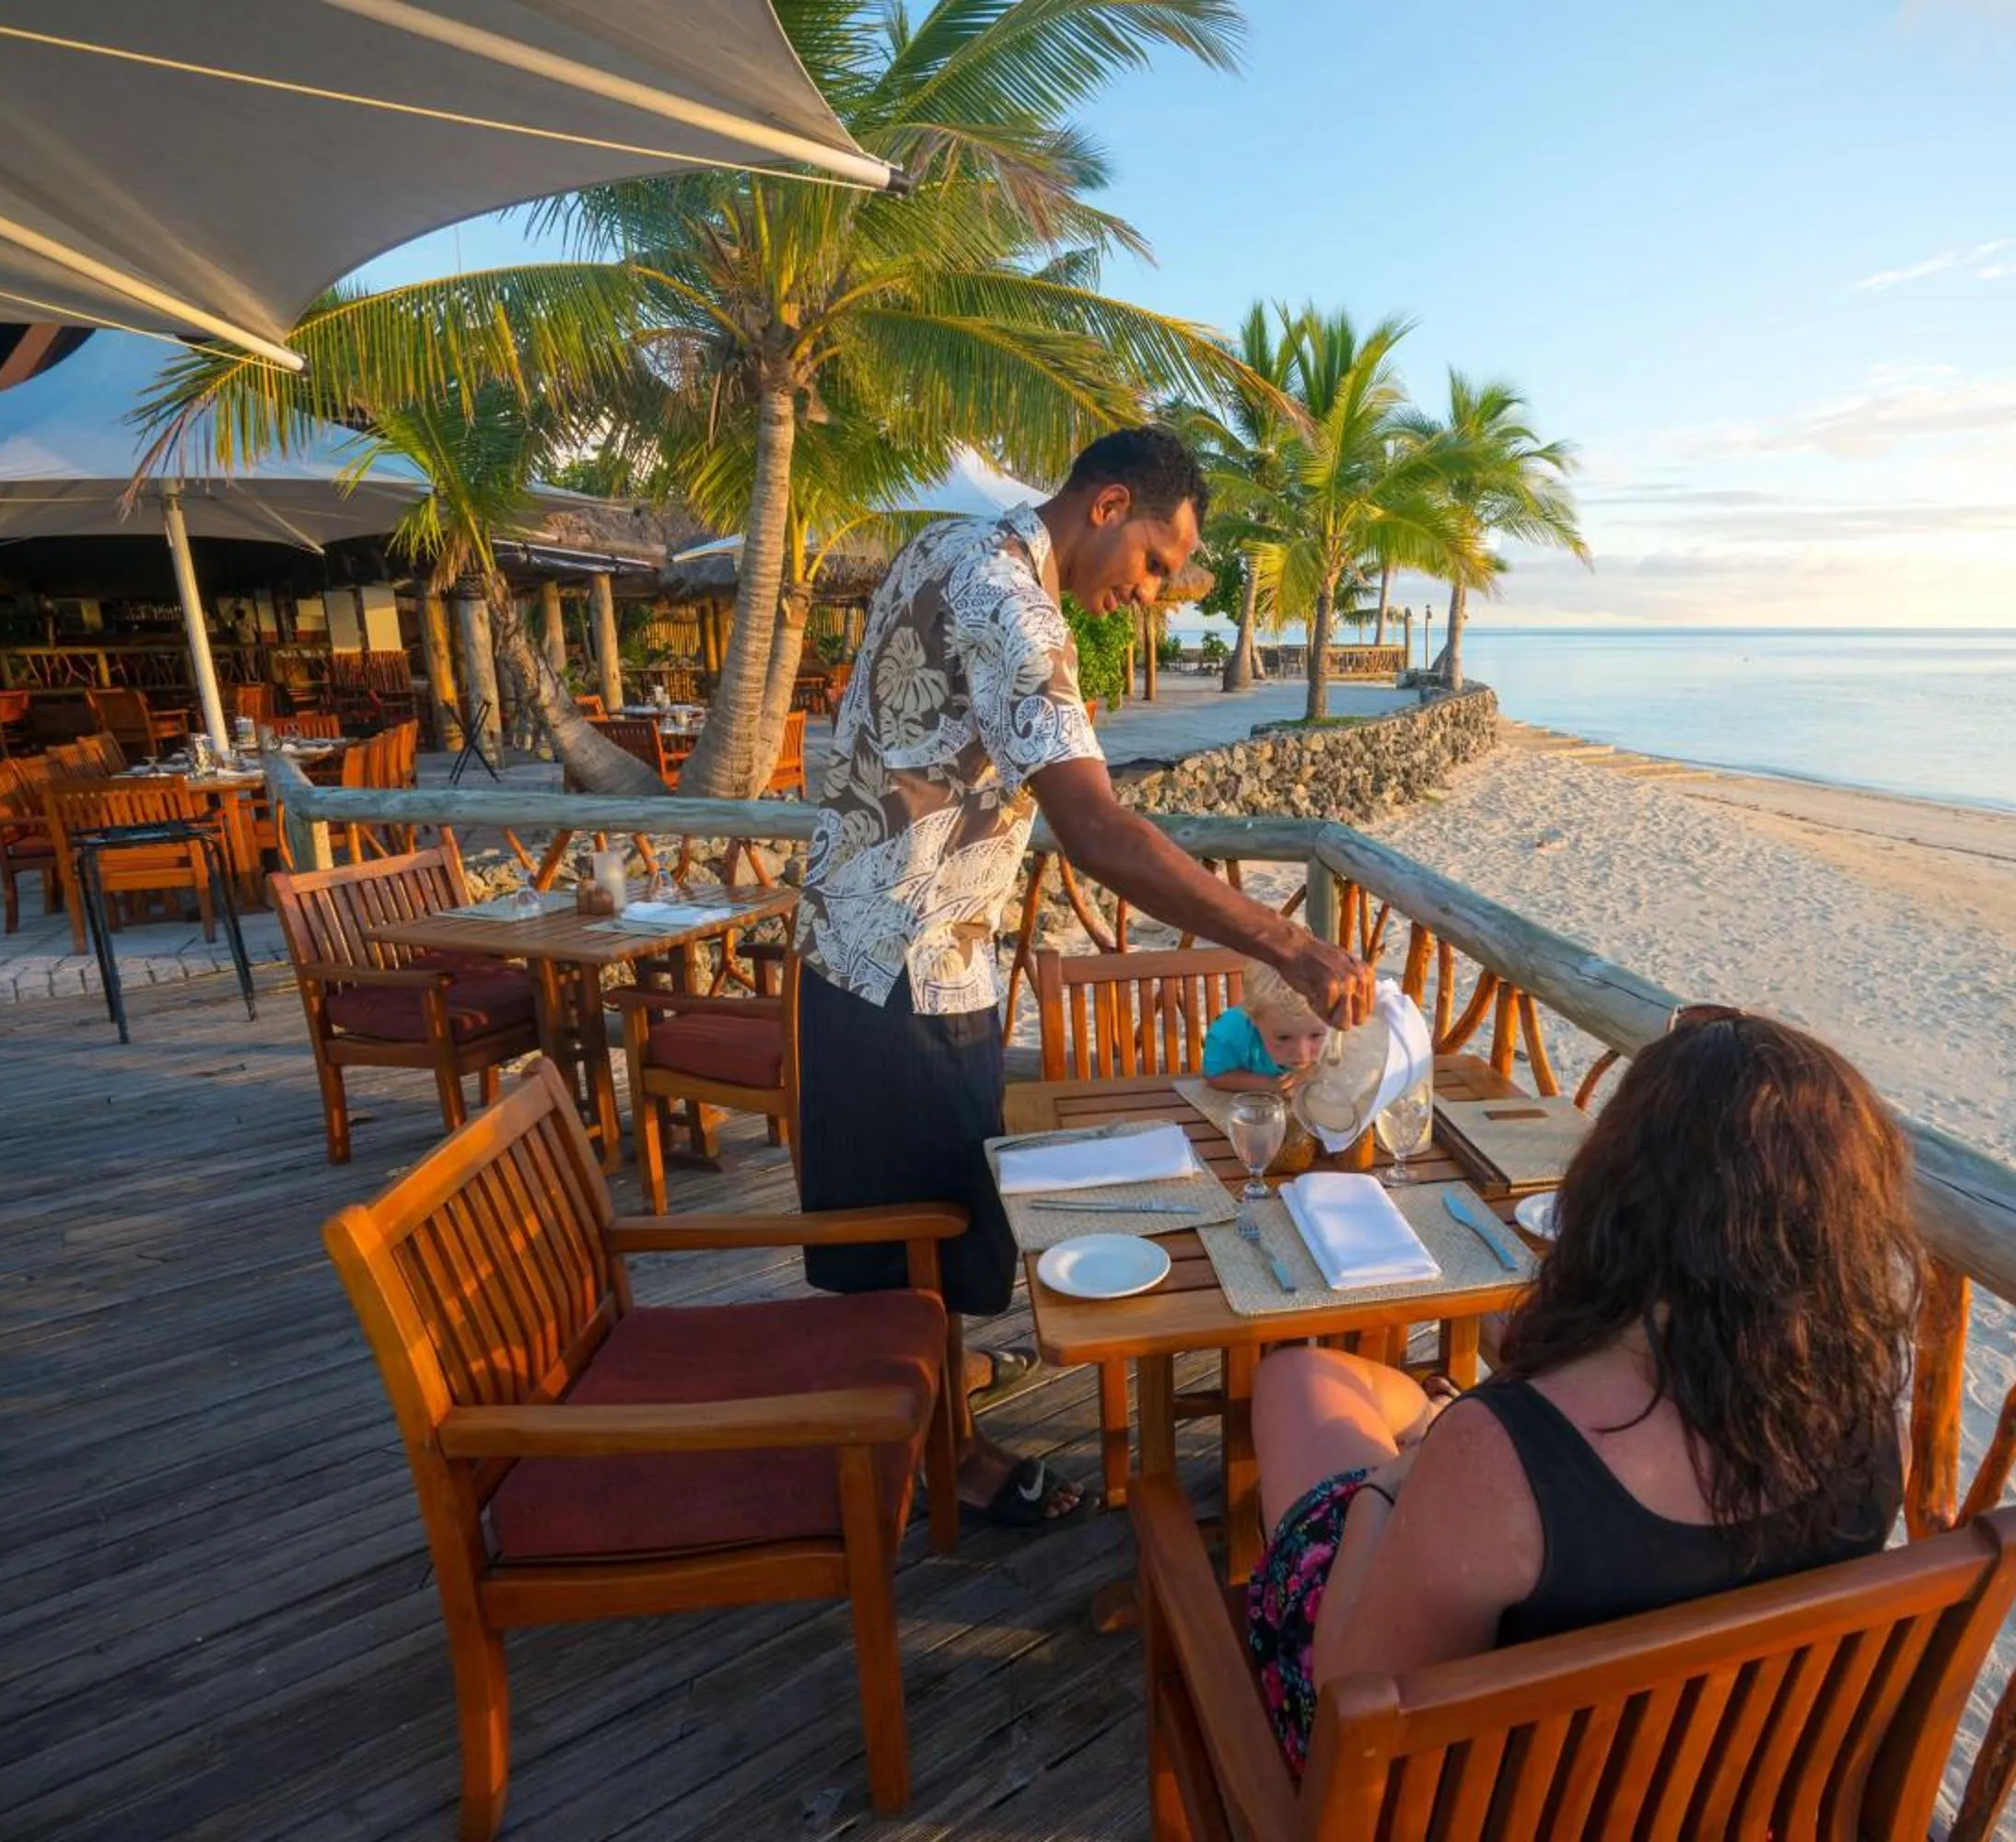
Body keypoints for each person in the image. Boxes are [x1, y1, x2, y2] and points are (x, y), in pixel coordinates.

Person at [797, 426, 1374, 1531]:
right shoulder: (1013, 603)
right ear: (1108, 504)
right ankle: (929, 1462)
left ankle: (921, 1412)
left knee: (912, 1229)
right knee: (916, 1234)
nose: (1151, 595)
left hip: (861, 946)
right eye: (1156, 563)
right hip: (906, 967)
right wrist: (1289, 944)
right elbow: (1099, 830)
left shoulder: (949, 549)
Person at [1241, 1008, 1918, 1773]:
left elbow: (1349, 1701)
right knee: (1340, 1393)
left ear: (1621, 1190)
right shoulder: (1873, 1427)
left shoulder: (1506, 1459)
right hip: (1702, 1789)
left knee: (1298, 1382)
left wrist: (1390, 1486)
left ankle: (1420, 1419)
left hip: (1468, 1801)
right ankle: (1426, 1408)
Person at [1201, 961, 1332, 1093]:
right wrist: (1274, 1085)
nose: (1302, 1054)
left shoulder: (1338, 1030)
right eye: (1283, 1038)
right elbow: (1215, 1075)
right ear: (1253, 1019)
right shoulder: (1228, 1035)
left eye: (1316, 1035)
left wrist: (1316, 1071)